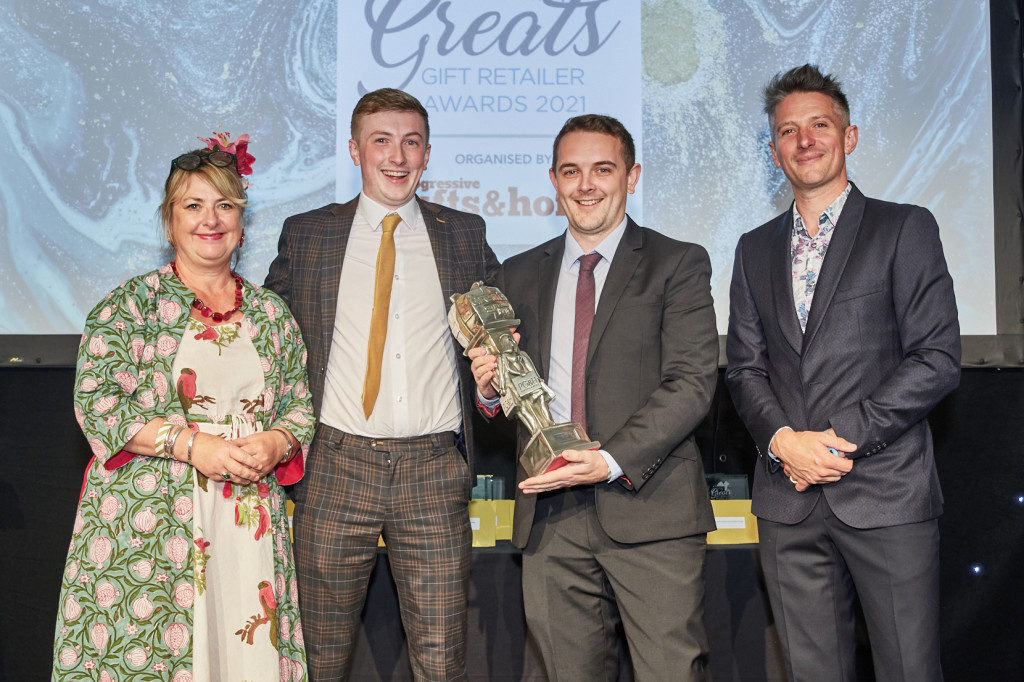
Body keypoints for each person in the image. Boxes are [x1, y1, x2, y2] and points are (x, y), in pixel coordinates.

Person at [725, 64, 960, 681]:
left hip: (885, 493)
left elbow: (936, 358)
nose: (804, 140)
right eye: (788, 131)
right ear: (773, 150)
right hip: (787, 501)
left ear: (848, 137)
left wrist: (834, 441)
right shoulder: (752, 248)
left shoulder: (904, 227)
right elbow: (745, 370)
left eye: (820, 125)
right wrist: (783, 444)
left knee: (909, 670)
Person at [52, 134, 315, 679]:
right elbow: (97, 402)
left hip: (247, 527)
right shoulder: (129, 306)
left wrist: (276, 441)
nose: (210, 219)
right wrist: (195, 445)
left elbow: (298, 408)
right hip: (152, 527)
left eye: (225, 205)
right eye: (193, 205)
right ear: (169, 221)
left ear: (243, 221)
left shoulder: (271, 314)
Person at [468, 114, 719, 681]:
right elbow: (507, 403)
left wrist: (605, 461)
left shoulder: (677, 263)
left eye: (602, 169)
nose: (586, 184)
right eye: (571, 171)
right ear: (553, 180)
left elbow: (692, 383)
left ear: (633, 176)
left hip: (649, 506)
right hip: (550, 516)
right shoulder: (516, 274)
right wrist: (488, 392)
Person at [265, 88, 499, 680]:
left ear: (428, 153)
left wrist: (492, 387)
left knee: (442, 662)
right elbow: (266, 341)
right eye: (381, 140)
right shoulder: (309, 234)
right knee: (317, 657)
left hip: (432, 470)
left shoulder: (464, 234)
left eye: (411, 142)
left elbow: (496, 346)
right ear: (354, 149)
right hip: (334, 467)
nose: (397, 156)